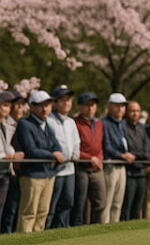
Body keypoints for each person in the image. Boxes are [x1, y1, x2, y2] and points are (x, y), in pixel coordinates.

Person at [14, 90, 65, 232]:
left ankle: (37, 241)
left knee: (43, 211)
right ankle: (23, 241)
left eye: (47, 105)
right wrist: (53, 155)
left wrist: (56, 152)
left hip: (48, 174)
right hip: (32, 175)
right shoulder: (25, 124)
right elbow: (31, 150)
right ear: (31, 107)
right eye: (40, 105)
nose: (44, 109)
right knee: (28, 212)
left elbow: (56, 145)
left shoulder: (47, 124)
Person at [45, 86, 80, 229]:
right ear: (55, 102)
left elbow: (76, 141)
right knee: (52, 204)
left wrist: (75, 154)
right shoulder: (49, 120)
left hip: (70, 168)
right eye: (63, 100)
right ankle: (47, 231)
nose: (66, 103)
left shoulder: (71, 122)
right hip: (55, 169)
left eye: (68, 100)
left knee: (68, 202)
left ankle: (61, 229)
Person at [72, 92, 105, 226]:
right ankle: (78, 230)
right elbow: (73, 148)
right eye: (87, 105)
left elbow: (100, 145)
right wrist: (89, 158)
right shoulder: (75, 123)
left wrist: (99, 158)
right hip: (81, 167)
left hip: (97, 168)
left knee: (100, 202)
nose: (91, 108)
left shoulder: (99, 124)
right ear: (80, 107)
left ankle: (96, 229)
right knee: (80, 204)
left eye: (93, 105)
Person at [101, 93, 135, 224]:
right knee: (107, 202)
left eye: (122, 106)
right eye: (117, 106)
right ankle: (105, 228)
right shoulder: (104, 123)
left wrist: (127, 154)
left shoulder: (122, 123)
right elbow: (107, 146)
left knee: (118, 202)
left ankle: (114, 226)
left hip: (122, 166)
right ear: (109, 106)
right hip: (111, 165)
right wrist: (122, 155)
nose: (120, 109)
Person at [121, 100, 150, 221]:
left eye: (138, 111)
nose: (135, 113)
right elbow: (128, 148)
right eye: (132, 111)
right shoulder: (123, 126)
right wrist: (141, 156)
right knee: (127, 206)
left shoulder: (142, 128)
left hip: (141, 172)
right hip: (129, 173)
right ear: (127, 112)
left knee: (138, 207)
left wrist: (137, 156)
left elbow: (147, 149)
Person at [0, 92, 28, 233]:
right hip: (3, 171)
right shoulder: (5, 125)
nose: (9, 108)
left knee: (8, 208)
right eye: (5, 105)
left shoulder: (5, 125)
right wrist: (12, 156)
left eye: (9, 105)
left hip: (7, 172)